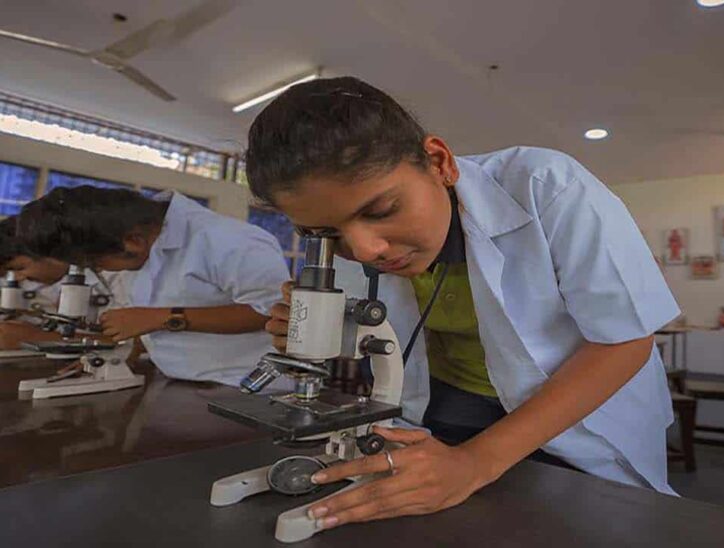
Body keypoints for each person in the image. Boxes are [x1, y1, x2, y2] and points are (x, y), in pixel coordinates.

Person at [244, 76, 682, 529]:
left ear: (439, 162)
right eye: (326, 233)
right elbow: (386, 331)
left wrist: (476, 462)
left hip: (572, 420)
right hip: (444, 408)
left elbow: (625, 342)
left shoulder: (546, 186)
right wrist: (325, 330)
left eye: (380, 211)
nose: (365, 250)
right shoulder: (356, 245)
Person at [16, 186, 290, 386]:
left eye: (95, 263)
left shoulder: (227, 240)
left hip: (245, 388)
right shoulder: (143, 243)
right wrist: (126, 351)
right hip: (177, 384)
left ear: (132, 241)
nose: (98, 270)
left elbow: (275, 314)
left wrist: (160, 318)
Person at [0, 216, 127, 349]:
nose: (19, 278)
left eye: (20, 268)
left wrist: (38, 337)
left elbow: (135, 344)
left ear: (50, 253)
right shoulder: (67, 280)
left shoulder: (117, 274)